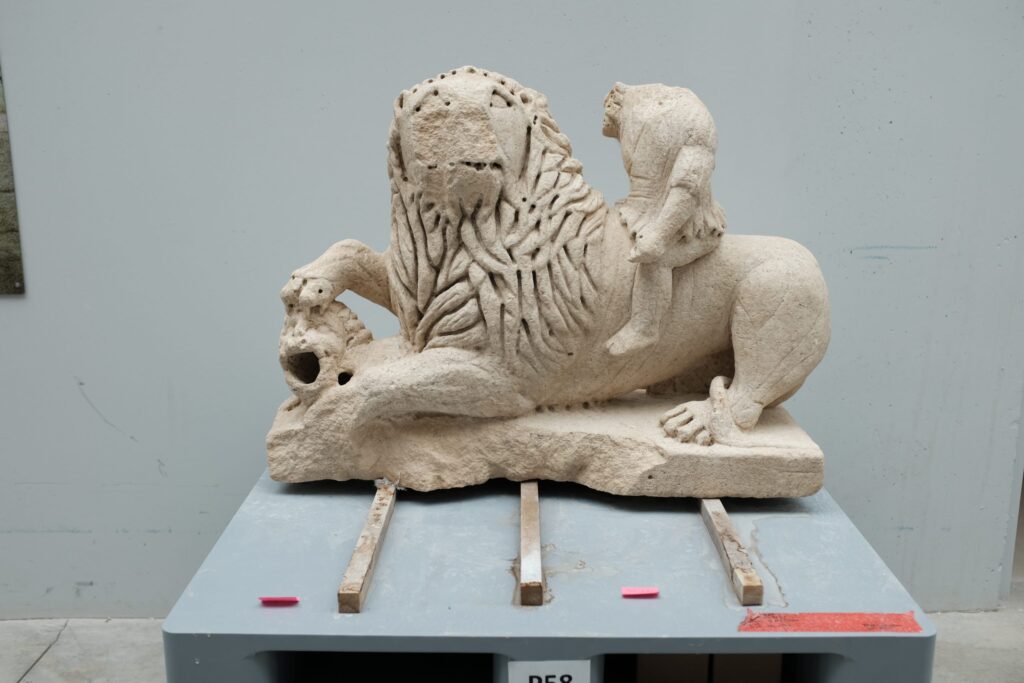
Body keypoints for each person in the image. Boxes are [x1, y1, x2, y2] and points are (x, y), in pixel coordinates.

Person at [602, 82, 727, 356]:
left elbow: (687, 187)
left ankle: (645, 327)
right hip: (643, 209)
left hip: (687, 223)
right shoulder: (638, 116)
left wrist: (659, 235)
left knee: (657, 260)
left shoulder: (689, 122)